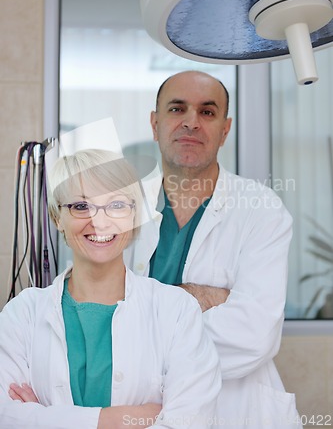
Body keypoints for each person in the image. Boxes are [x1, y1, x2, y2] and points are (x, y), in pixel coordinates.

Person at [125, 71, 302, 428]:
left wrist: (143, 321)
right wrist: (204, 298)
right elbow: (97, 313)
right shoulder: (122, 206)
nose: (191, 122)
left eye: (207, 112)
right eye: (177, 109)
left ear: (225, 129)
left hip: (237, 413)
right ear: (155, 123)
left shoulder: (260, 208)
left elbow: (254, 336)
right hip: (142, 410)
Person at [0, 148, 221, 429]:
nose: (100, 221)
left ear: (133, 216)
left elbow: (190, 422)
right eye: (81, 206)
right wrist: (118, 420)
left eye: (116, 205)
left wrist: (43, 419)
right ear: (58, 218)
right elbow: (4, 416)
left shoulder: (175, 310)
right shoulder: (23, 314)